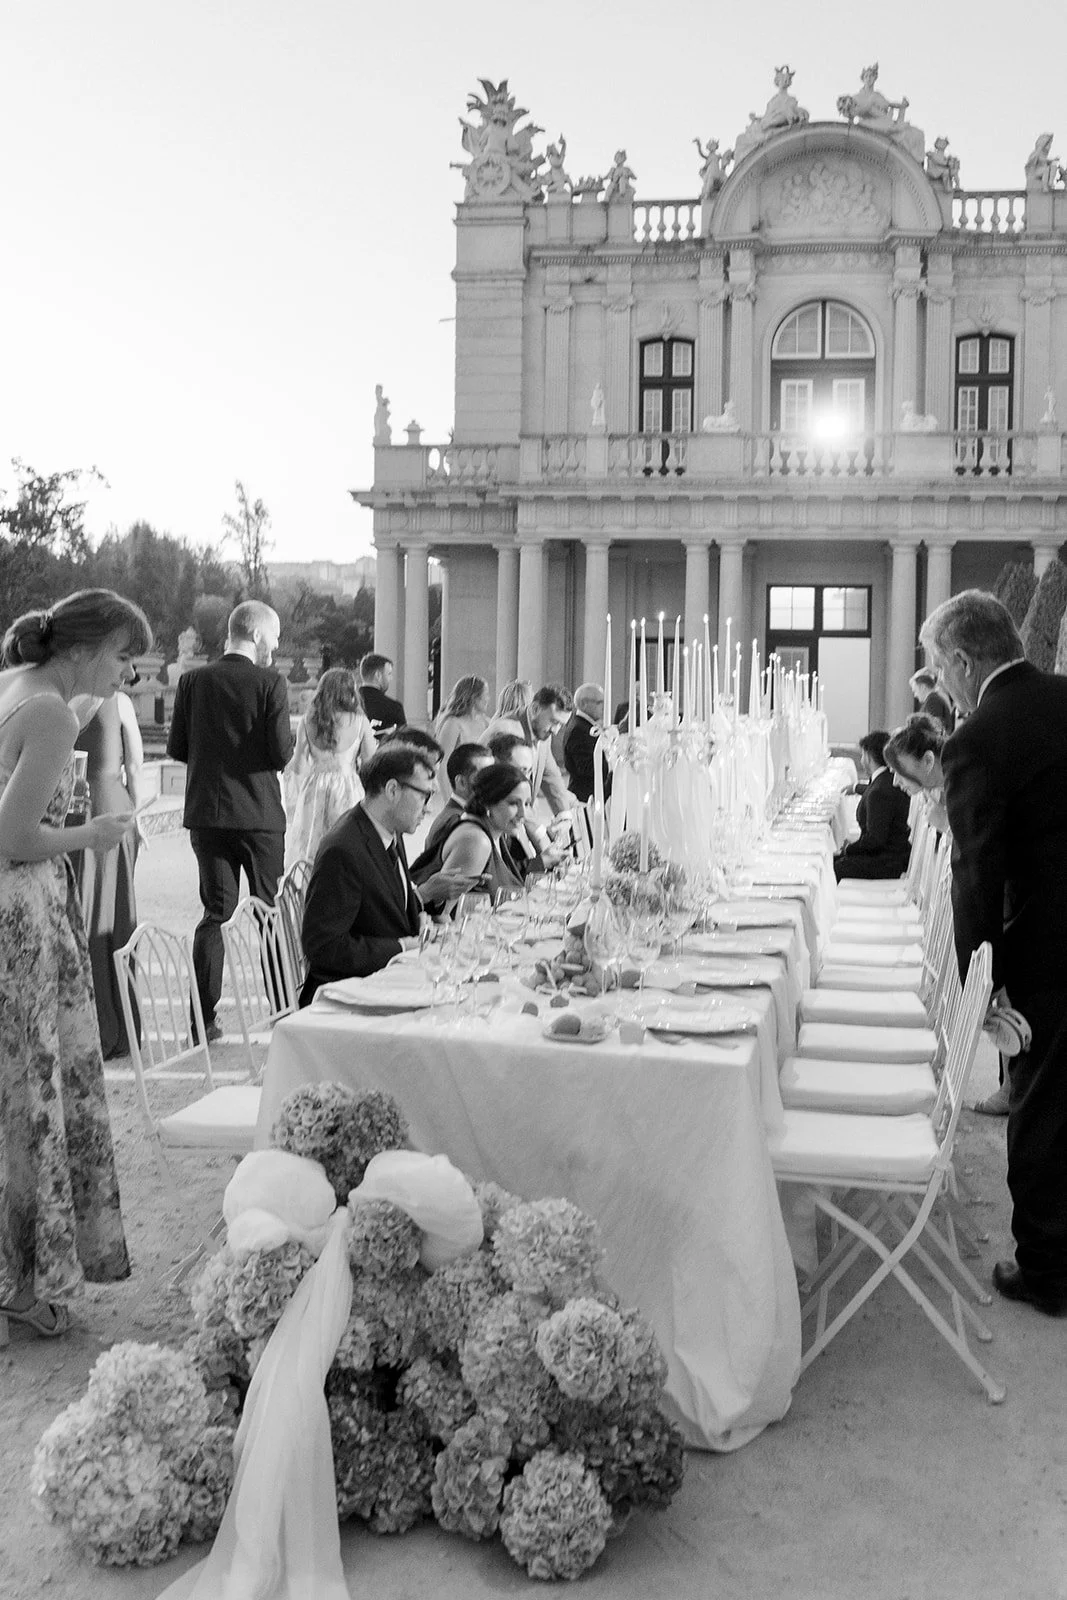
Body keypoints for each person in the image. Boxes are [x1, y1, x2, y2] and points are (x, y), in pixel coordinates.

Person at [0, 589, 151, 1341]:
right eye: (123, 655)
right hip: (20, 914)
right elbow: (18, 836)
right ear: (89, 647)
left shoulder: (16, 689)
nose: (126, 671)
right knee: (32, 1093)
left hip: (18, 913)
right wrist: (90, 833)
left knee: (16, 1092)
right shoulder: (52, 712)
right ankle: (22, 1286)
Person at [920, 589, 1067, 1313]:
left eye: (938, 669)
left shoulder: (975, 738)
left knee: (1038, 1108)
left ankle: (1045, 1271)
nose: (941, 685)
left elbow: (974, 867)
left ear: (960, 659)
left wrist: (982, 978)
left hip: (1047, 947)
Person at [167, 600, 294, 1043]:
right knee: (268, 913)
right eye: (274, 639)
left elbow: (178, 749)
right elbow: (281, 753)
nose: (275, 649)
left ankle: (201, 1021)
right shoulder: (270, 683)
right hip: (259, 815)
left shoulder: (192, 681)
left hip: (209, 813)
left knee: (214, 914)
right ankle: (283, 1009)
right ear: (257, 635)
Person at [298, 744, 479, 1004]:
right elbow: (324, 948)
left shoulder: (388, 830)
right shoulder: (344, 848)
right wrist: (403, 947)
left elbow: (382, 907)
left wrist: (421, 920)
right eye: (424, 796)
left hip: (391, 982)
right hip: (348, 997)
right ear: (393, 790)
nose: (428, 808)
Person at [68, 691, 147, 1058]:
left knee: (81, 918)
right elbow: (135, 764)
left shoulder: (61, 699)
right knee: (117, 920)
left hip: (76, 811)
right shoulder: (120, 702)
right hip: (114, 807)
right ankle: (121, 1026)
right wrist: (138, 814)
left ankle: (86, 1026)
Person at [283, 668, 376, 869]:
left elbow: (298, 765)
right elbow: (370, 764)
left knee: (312, 847)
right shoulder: (359, 721)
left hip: (315, 789)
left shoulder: (308, 721)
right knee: (348, 845)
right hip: (348, 788)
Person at [438, 763, 528, 909]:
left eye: (527, 804)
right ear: (488, 803)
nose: (523, 814)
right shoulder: (476, 841)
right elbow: (441, 913)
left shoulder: (498, 832)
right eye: (513, 803)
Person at [482, 682, 574, 816]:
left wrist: (565, 817)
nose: (555, 731)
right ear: (535, 708)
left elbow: (552, 779)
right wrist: (540, 834)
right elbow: (510, 794)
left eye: (561, 725)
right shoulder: (506, 731)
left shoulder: (542, 732)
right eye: (554, 721)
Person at [834, 729, 912, 882]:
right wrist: (856, 788)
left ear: (869, 756)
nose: (862, 760)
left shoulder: (880, 791)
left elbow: (875, 840)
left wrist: (849, 848)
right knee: (834, 860)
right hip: (893, 856)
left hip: (885, 862)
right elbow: (872, 791)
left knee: (831, 870)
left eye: (862, 755)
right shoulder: (887, 779)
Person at [883, 713, 949, 834]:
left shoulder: (966, 785)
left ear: (928, 761)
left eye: (899, 771)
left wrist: (945, 825)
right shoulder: (936, 793)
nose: (895, 782)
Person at [434, 675, 491, 795]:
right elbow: (443, 764)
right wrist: (449, 799)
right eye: (485, 694)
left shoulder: (486, 723)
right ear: (474, 697)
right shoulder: (453, 724)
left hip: (482, 786)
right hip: (460, 786)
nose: (488, 699)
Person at [562, 683, 611, 805]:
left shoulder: (585, 725)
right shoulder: (579, 729)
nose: (604, 707)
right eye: (600, 702)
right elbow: (586, 768)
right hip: (585, 798)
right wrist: (613, 763)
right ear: (584, 703)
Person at [358, 653, 406, 738]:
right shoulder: (393, 708)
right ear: (378, 675)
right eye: (389, 674)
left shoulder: (348, 704)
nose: (391, 679)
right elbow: (402, 743)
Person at [908, 667, 955, 736]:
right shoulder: (934, 699)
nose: (915, 695)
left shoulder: (933, 701)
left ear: (922, 687)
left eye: (915, 691)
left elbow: (932, 728)